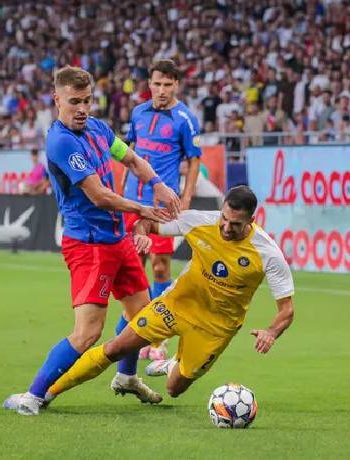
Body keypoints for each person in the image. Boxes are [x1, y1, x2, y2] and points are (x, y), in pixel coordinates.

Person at [4, 66, 181, 416]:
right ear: (57, 100)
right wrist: (144, 209)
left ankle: (127, 377)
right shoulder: (60, 141)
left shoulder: (99, 128)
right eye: (74, 101)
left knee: (142, 318)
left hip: (117, 239)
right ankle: (34, 395)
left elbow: (130, 158)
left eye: (87, 100)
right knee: (88, 334)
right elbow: (99, 195)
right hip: (89, 245)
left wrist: (158, 183)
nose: (82, 108)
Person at [41, 186, 295, 406]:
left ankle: (171, 364)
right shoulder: (201, 221)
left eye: (235, 224)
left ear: (252, 220)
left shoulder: (267, 253)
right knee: (117, 347)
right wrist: (141, 232)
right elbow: (149, 221)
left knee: (174, 389)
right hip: (177, 305)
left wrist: (271, 332)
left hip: (217, 327)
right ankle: (46, 393)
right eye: (224, 219)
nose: (226, 228)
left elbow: (287, 310)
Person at [122, 59, 202, 361]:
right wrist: (119, 192)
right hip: (132, 200)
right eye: (157, 83)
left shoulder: (185, 118)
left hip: (162, 205)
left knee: (159, 267)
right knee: (133, 269)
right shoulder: (138, 113)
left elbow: (194, 159)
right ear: (149, 84)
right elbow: (129, 155)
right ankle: (138, 332)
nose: (162, 90)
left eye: (168, 84)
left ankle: (158, 339)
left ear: (176, 85)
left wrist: (186, 197)